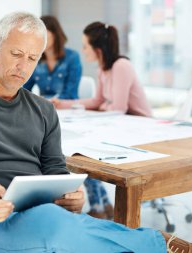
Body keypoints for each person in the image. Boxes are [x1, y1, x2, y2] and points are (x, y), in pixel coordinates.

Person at [0, 12, 192, 253]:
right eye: (16, 54)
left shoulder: (43, 110)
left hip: (42, 215)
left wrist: (71, 196)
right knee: (64, 225)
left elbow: (55, 169)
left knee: (63, 221)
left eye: (32, 58)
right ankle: (160, 244)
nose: (22, 66)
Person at [51, 21, 152, 219]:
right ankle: (102, 206)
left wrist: (103, 105)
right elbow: (98, 101)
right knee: (83, 151)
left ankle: (101, 206)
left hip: (141, 126)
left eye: (85, 46)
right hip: (122, 125)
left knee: (87, 151)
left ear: (97, 49)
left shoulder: (121, 66)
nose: (83, 50)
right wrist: (64, 103)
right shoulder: (102, 69)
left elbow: (118, 107)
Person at [23, 15, 82, 99]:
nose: (39, 39)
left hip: (66, 109)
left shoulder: (72, 57)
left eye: (43, 34)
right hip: (44, 108)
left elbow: (70, 95)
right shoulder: (35, 59)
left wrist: (44, 101)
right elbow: (25, 90)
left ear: (55, 34)